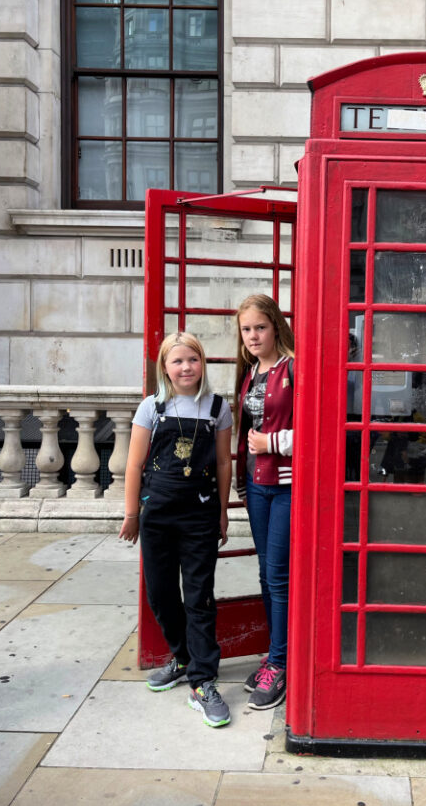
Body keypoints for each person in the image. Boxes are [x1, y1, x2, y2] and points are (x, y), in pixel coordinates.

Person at [119, 331, 233, 729]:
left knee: (199, 597)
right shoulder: (152, 407)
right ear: (164, 368)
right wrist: (132, 513)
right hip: (158, 514)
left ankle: (203, 682)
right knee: (161, 593)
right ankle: (182, 656)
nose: (186, 367)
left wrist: (222, 513)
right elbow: (134, 465)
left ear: (203, 363)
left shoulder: (217, 407)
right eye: (177, 361)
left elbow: (222, 464)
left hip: (199, 514)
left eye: (193, 359)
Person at [234, 294, 294, 711]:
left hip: (288, 484)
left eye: (260, 327)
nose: (253, 336)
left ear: (275, 327)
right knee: (264, 572)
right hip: (256, 485)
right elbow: (243, 431)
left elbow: (323, 427)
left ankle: (281, 661)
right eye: (246, 329)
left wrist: (272, 441)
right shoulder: (252, 372)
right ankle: (277, 654)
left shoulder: (295, 369)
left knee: (278, 575)